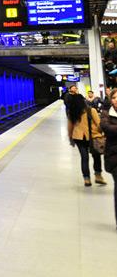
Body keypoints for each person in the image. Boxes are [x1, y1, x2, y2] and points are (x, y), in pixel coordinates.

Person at [66, 93, 106, 186]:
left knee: (84, 158)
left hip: (79, 138)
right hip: (92, 137)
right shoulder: (91, 110)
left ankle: (86, 179)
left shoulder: (72, 113)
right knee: (96, 156)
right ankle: (98, 176)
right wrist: (102, 133)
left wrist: (70, 139)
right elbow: (99, 124)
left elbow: (70, 127)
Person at [101, 89, 117, 229]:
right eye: (114, 97)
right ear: (110, 99)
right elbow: (107, 128)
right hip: (114, 157)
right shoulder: (106, 113)